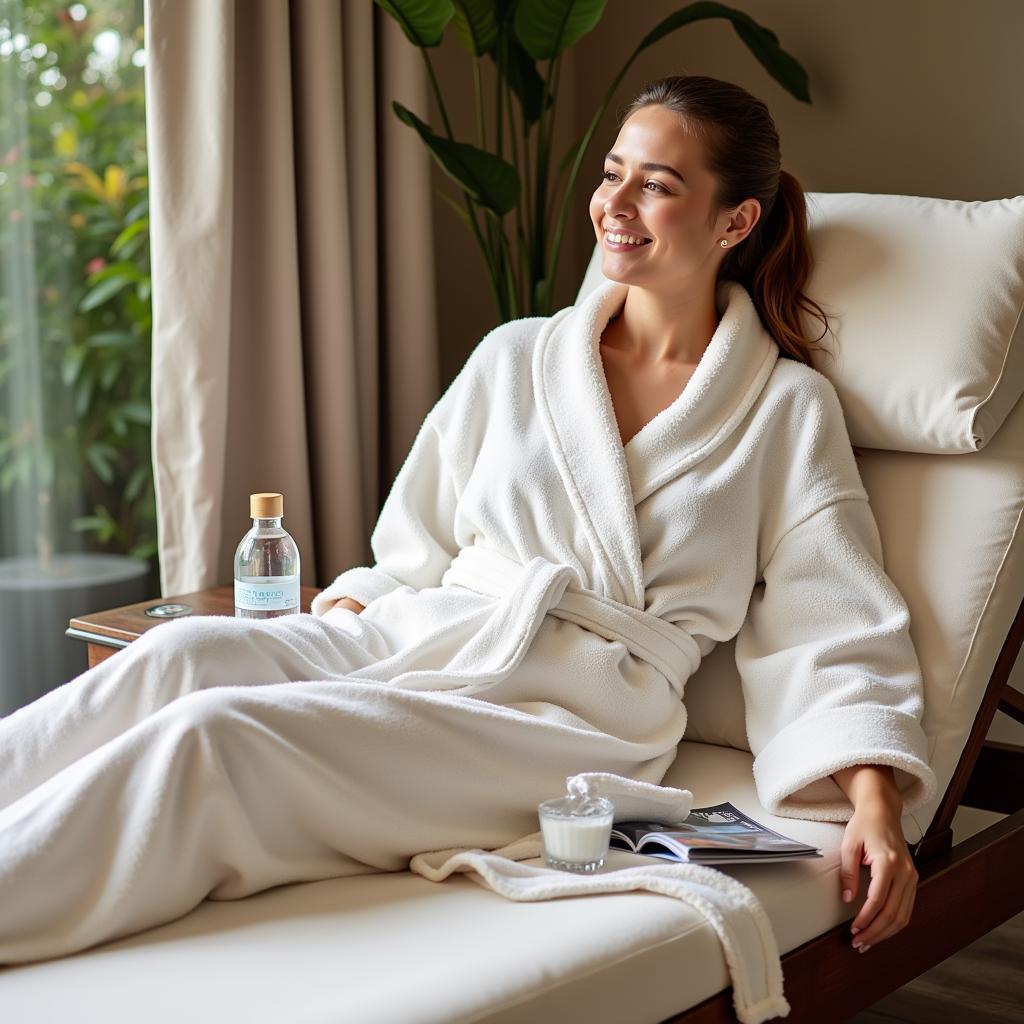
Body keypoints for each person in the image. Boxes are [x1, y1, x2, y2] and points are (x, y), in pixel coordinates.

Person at [0, 74, 937, 966]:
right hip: (433, 631)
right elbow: (416, 543)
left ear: (736, 220)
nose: (614, 202)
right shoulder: (516, 358)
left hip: (571, 716)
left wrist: (875, 802)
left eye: (656, 186)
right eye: (613, 173)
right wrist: (356, 606)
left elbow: (833, 616)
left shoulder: (783, 409)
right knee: (182, 656)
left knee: (219, 738)